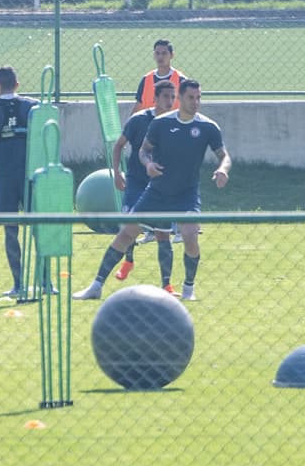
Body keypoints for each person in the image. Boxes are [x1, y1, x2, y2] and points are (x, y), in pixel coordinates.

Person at [74, 79, 230, 303]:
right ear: (180, 98)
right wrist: (148, 164)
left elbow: (224, 156)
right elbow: (143, 151)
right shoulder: (160, 123)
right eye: (190, 98)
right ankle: (96, 285)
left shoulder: (208, 127)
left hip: (186, 194)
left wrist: (222, 169)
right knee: (126, 234)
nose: (196, 102)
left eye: (199, 98)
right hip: (156, 192)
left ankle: (188, 289)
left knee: (189, 236)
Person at [0, 65, 40, 297]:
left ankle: (18, 283)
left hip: (4, 176)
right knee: (39, 227)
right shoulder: (33, 106)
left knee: (10, 230)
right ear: (17, 84)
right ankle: (45, 280)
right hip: (30, 174)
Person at [109, 79, 178, 288]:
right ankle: (128, 260)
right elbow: (118, 146)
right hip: (137, 182)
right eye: (165, 96)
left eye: (172, 97)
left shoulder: (175, 123)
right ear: (155, 99)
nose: (169, 101)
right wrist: (117, 173)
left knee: (162, 233)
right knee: (129, 224)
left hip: (160, 187)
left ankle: (167, 284)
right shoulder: (138, 120)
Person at [131, 39, 183, 114]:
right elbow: (138, 106)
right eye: (157, 53)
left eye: (164, 53)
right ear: (154, 55)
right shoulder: (146, 79)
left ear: (172, 55)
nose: (160, 57)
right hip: (149, 124)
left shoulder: (181, 80)